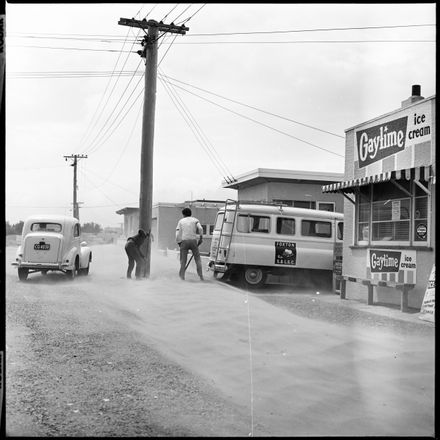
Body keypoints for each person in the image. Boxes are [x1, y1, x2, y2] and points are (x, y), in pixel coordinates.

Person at [176, 207, 204, 281]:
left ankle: (182, 276)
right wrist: (201, 238)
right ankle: (201, 276)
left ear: (183, 214)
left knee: (183, 261)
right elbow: (200, 229)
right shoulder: (195, 220)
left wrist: (179, 242)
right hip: (193, 241)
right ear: (190, 214)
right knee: (197, 260)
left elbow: (177, 234)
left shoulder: (181, 221)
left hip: (184, 241)